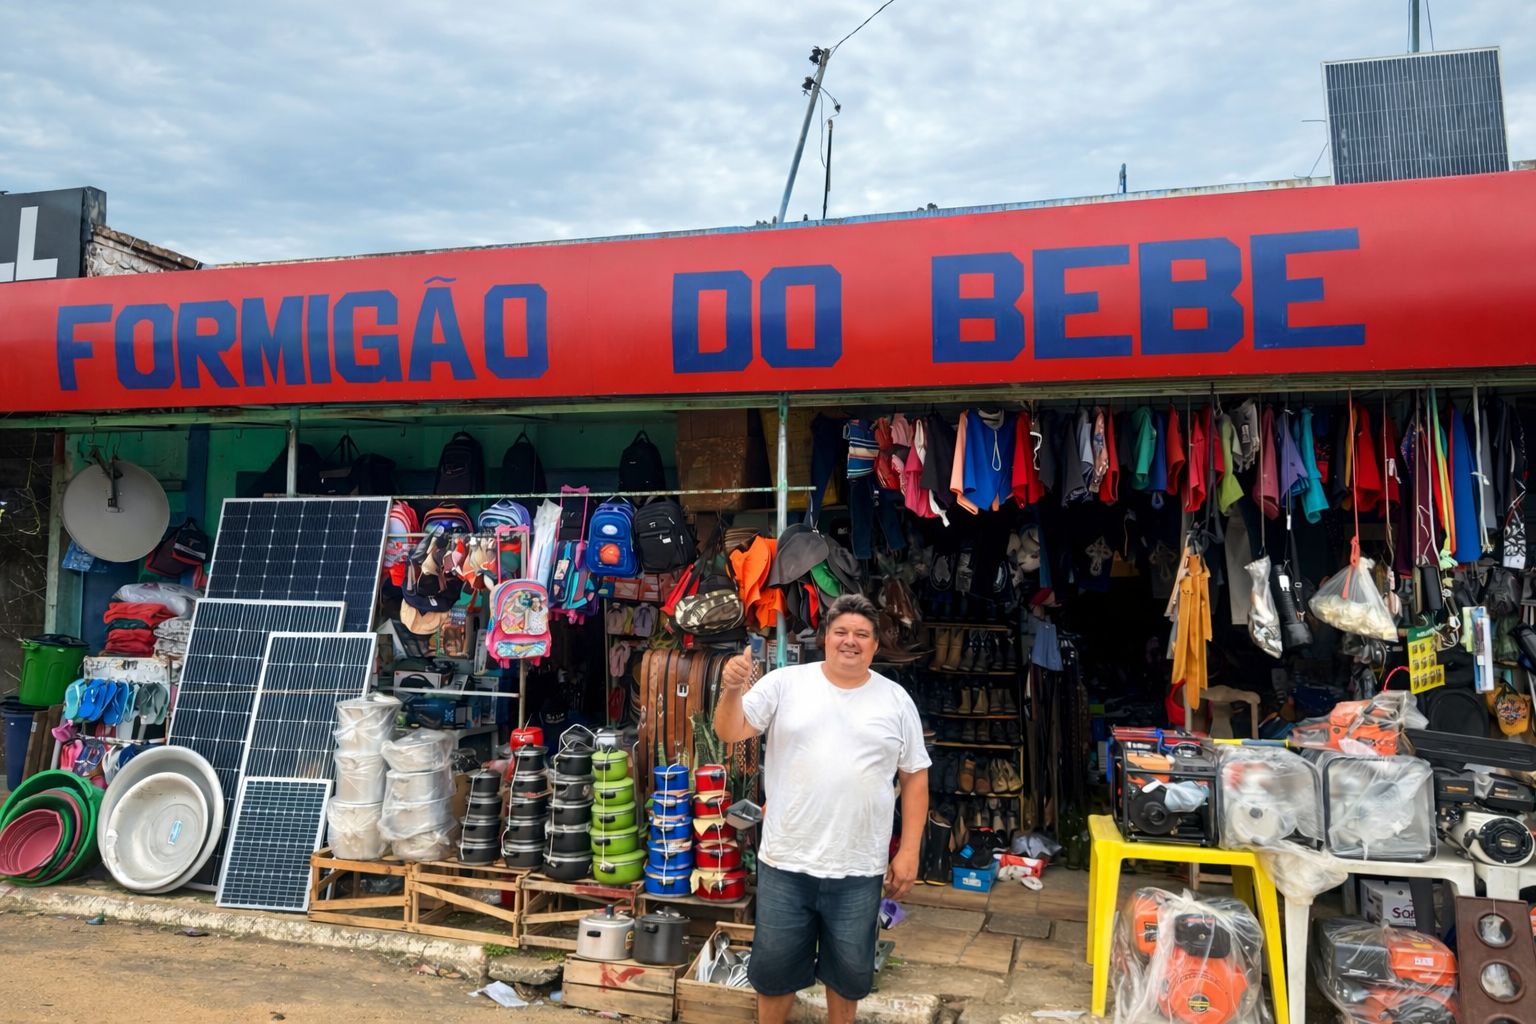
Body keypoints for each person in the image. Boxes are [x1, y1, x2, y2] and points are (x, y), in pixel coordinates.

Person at [714, 593, 930, 1024]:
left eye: (862, 634)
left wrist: (908, 852)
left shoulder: (895, 699)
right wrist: (731, 689)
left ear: (875, 644)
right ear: (825, 638)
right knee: (775, 974)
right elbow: (731, 729)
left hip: (858, 868)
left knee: (848, 976)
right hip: (786, 862)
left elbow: (914, 776)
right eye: (842, 632)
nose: (850, 641)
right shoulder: (786, 683)